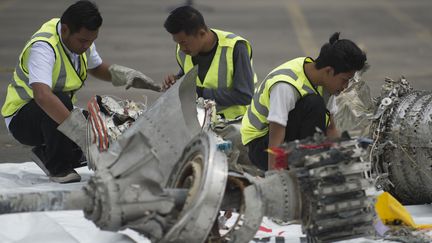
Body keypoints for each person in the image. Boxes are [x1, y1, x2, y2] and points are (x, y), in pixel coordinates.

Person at [1, 0, 161, 183]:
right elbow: (42, 96)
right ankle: (58, 167)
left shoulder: (80, 39)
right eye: (84, 41)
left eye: (91, 41)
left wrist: (128, 76)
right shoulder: (43, 47)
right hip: (22, 120)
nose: (87, 46)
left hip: (55, 111)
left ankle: (47, 153)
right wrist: (81, 133)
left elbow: (97, 67)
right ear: (65, 30)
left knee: (105, 126)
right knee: (68, 112)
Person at [241, 32, 367, 171]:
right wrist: (276, 177)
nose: (345, 87)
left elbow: (331, 128)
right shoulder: (285, 86)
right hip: (262, 147)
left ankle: (310, 163)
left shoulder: (324, 82)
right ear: (329, 71)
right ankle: (305, 168)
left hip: (286, 138)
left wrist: (342, 160)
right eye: (344, 80)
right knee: (314, 104)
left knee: (316, 107)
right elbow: (276, 133)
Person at [162, 6, 257, 121]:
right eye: (177, 42)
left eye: (184, 42)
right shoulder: (183, 51)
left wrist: (199, 92)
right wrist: (177, 81)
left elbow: (244, 95)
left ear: (202, 33)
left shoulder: (235, 48)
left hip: (236, 123)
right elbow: (191, 74)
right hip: (202, 122)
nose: (181, 48)